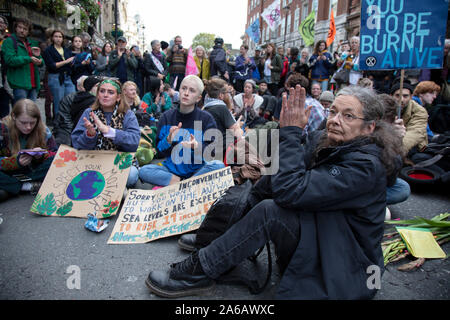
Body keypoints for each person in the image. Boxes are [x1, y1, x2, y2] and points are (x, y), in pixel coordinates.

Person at [145, 84, 402, 299]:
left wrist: (290, 131)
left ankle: (199, 271)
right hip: (323, 231)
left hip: (345, 261)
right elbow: (287, 170)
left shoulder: (367, 165)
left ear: (370, 127)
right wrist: (288, 135)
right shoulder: (332, 140)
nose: (334, 120)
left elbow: (290, 191)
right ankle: (217, 240)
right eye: (333, 111)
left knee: (271, 211)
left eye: (348, 116)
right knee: (269, 180)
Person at [138, 75, 224, 187]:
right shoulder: (166, 117)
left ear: (198, 98)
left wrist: (196, 146)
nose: (186, 93)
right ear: (179, 90)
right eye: (184, 88)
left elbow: (213, 153)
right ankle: (185, 184)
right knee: (144, 170)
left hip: (197, 170)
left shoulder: (206, 119)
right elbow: (158, 152)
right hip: (171, 170)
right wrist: (168, 141)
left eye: (192, 90)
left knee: (218, 165)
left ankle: (184, 184)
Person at [71, 78, 140, 187]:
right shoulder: (89, 113)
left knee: (131, 175)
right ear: (97, 95)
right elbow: (76, 144)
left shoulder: (128, 114)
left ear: (118, 97)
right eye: (102, 91)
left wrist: (110, 132)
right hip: (94, 162)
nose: (105, 95)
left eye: (110, 92)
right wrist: (89, 135)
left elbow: (134, 142)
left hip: (119, 161)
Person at [0, 99, 57, 200]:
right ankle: (24, 186)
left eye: (32, 123)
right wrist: (15, 162)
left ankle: (12, 187)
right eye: (23, 123)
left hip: (32, 171)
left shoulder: (43, 130)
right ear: (14, 117)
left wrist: (42, 155)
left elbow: (56, 155)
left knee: (56, 162)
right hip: (8, 172)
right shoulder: (3, 129)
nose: (28, 127)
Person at [2, 18, 43, 104]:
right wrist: (29, 59)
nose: (22, 30)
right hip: (19, 84)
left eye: (25, 29)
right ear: (15, 28)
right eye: (19, 27)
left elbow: (41, 62)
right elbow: (10, 60)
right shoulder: (9, 42)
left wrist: (39, 59)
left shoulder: (32, 42)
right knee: (20, 113)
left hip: (33, 84)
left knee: (31, 113)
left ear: (28, 31)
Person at [202, 77, 243, 154]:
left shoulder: (204, 108)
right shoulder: (221, 108)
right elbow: (237, 134)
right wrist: (238, 127)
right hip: (224, 152)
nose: (230, 95)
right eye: (228, 92)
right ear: (221, 96)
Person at [42, 29, 76, 120]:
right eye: (56, 36)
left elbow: (70, 63)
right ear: (52, 38)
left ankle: (67, 121)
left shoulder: (66, 50)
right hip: (55, 76)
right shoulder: (48, 50)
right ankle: (57, 123)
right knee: (58, 101)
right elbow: (52, 65)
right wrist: (66, 61)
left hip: (67, 76)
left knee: (70, 98)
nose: (58, 39)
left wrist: (72, 62)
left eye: (60, 37)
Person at [390, 80, 428, 156]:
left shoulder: (420, 111)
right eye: (397, 95)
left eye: (405, 96)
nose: (401, 100)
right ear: (391, 96)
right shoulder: (385, 107)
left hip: (413, 147)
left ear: (411, 96)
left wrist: (395, 152)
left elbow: (414, 134)